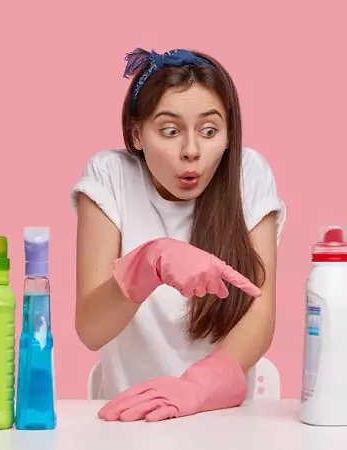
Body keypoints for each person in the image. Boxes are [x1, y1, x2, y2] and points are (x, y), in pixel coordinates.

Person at [71, 48, 286, 422]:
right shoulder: (110, 177)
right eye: (170, 131)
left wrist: (195, 388)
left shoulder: (248, 175)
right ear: (137, 134)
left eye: (208, 131)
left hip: (225, 418)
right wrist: (147, 263)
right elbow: (91, 329)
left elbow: (260, 315)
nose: (191, 151)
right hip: (128, 421)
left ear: (229, 134)